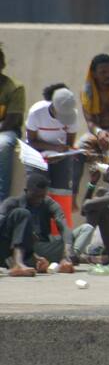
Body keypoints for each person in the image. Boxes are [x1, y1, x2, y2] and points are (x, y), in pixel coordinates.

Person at [24, 84, 86, 220]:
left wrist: (60, 154)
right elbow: (32, 141)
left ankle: (58, 229)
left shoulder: (72, 115)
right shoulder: (36, 112)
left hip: (59, 154)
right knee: (37, 188)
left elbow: (69, 144)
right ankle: (35, 226)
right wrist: (52, 149)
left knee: (61, 191)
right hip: (36, 151)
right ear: (52, 105)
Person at [0, 174, 76, 275]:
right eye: (35, 196)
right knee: (22, 213)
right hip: (6, 248)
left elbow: (63, 225)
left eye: (42, 196)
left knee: (70, 239)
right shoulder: (11, 203)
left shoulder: (48, 203)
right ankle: (17, 263)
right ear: (26, 191)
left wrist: (66, 253)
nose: (38, 200)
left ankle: (61, 262)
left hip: (33, 248)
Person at [0, 44, 26, 202]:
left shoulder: (15, 88)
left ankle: (2, 203)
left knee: (2, 145)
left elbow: (10, 122)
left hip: (6, 131)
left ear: (2, 64)